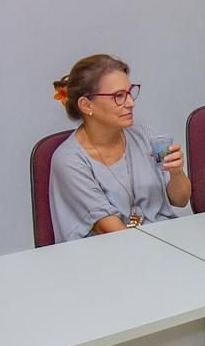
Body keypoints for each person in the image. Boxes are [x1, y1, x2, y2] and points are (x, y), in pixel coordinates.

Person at [49, 54, 190, 240]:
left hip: (161, 240)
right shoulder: (69, 160)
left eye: (130, 92)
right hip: (114, 250)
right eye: (119, 96)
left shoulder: (144, 135)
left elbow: (181, 200)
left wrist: (176, 172)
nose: (131, 103)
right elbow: (112, 231)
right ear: (86, 105)